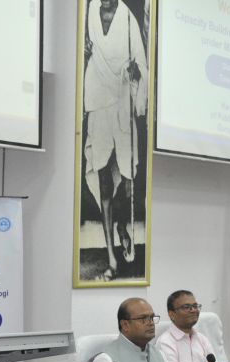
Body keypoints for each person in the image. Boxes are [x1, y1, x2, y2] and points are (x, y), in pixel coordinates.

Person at [83, 0, 148, 281]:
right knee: (103, 180)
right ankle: (112, 259)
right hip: (98, 101)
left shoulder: (128, 19)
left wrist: (135, 75)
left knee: (127, 181)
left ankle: (122, 225)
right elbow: (88, 51)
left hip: (121, 102)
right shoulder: (88, 12)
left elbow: (140, 65)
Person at [156, 290, 214, 362]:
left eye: (195, 306)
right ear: (172, 314)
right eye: (186, 307)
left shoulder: (202, 338)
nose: (193, 310)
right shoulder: (165, 342)